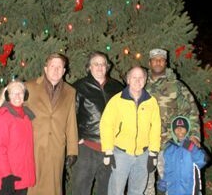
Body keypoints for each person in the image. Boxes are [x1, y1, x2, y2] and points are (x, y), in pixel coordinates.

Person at [145, 48, 201, 195]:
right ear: (149, 62)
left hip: (170, 145)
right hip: (145, 144)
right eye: (155, 59)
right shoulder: (140, 83)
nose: (158, 62)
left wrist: (194, 135)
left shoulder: (177, 85)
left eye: (161, 59)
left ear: (165, 62)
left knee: (172, 184)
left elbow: (192, 110)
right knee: (145, 186)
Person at [100, 66, 161, 195]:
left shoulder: (151, 102)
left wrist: (153, 153)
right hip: (121, 154)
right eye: (134, 77)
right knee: (116, 191)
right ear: (128, 79)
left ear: (145, 80)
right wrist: (108, 151)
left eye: (141, 78)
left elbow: (155, 128)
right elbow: (106, 125)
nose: (137, 80)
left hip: (143, 155)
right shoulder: (117, 100)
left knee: (137, 191)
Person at [25, 53, 78, 195]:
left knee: (53, 188)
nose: (56, 70)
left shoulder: (70, 92)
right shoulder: (29, 87)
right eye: (52, 66)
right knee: (32, 186)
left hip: (56, 148)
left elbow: (71, 121)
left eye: (59, 67)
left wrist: (72, 150)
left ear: (64, 71)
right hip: (33, 146)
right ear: (45, 68)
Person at [71, 51, 123, 195]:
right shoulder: (79, 87)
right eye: (96, 64)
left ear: (107, 67)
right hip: (87, 147)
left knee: (106, 189)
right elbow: (70, 116)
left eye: (103, 64)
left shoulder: (117, 87)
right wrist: (76, 139)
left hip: (111, 147)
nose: (100, 67)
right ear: (89, 67)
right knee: (81, 188)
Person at [0, 80, 36, 195]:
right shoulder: (4, 116)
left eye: (20, 93)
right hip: (8, 178)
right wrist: (7, 175)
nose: (17, 96)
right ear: (7, 96)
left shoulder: (26, 116)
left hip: (21, 175)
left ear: (25, 95)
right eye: (13, 93)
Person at [157, 116, 207, 195]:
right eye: (177, 128)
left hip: (190, 189)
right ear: (173, 131)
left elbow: (202, 161)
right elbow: (167, 169)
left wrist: (193, 148)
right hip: (172, 190)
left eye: (182, 127)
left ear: (187, 129)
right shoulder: (169, 149)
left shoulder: (192, 145)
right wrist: (164, 181)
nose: (179, 129)